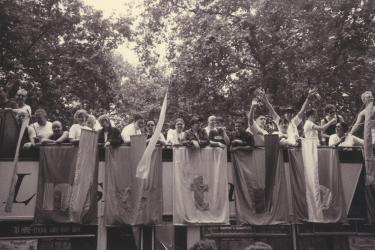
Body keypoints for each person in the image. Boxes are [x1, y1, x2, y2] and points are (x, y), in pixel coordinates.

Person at [302, 109, 337, 222]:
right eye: (315, 115)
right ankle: (315, 214)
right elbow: (322, 129)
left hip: (314, 147)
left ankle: (318, 212)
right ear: (311, 115)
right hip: (311, 148)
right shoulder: (309, 123)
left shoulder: (309, 123)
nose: (316, 117)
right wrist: (331, 122)